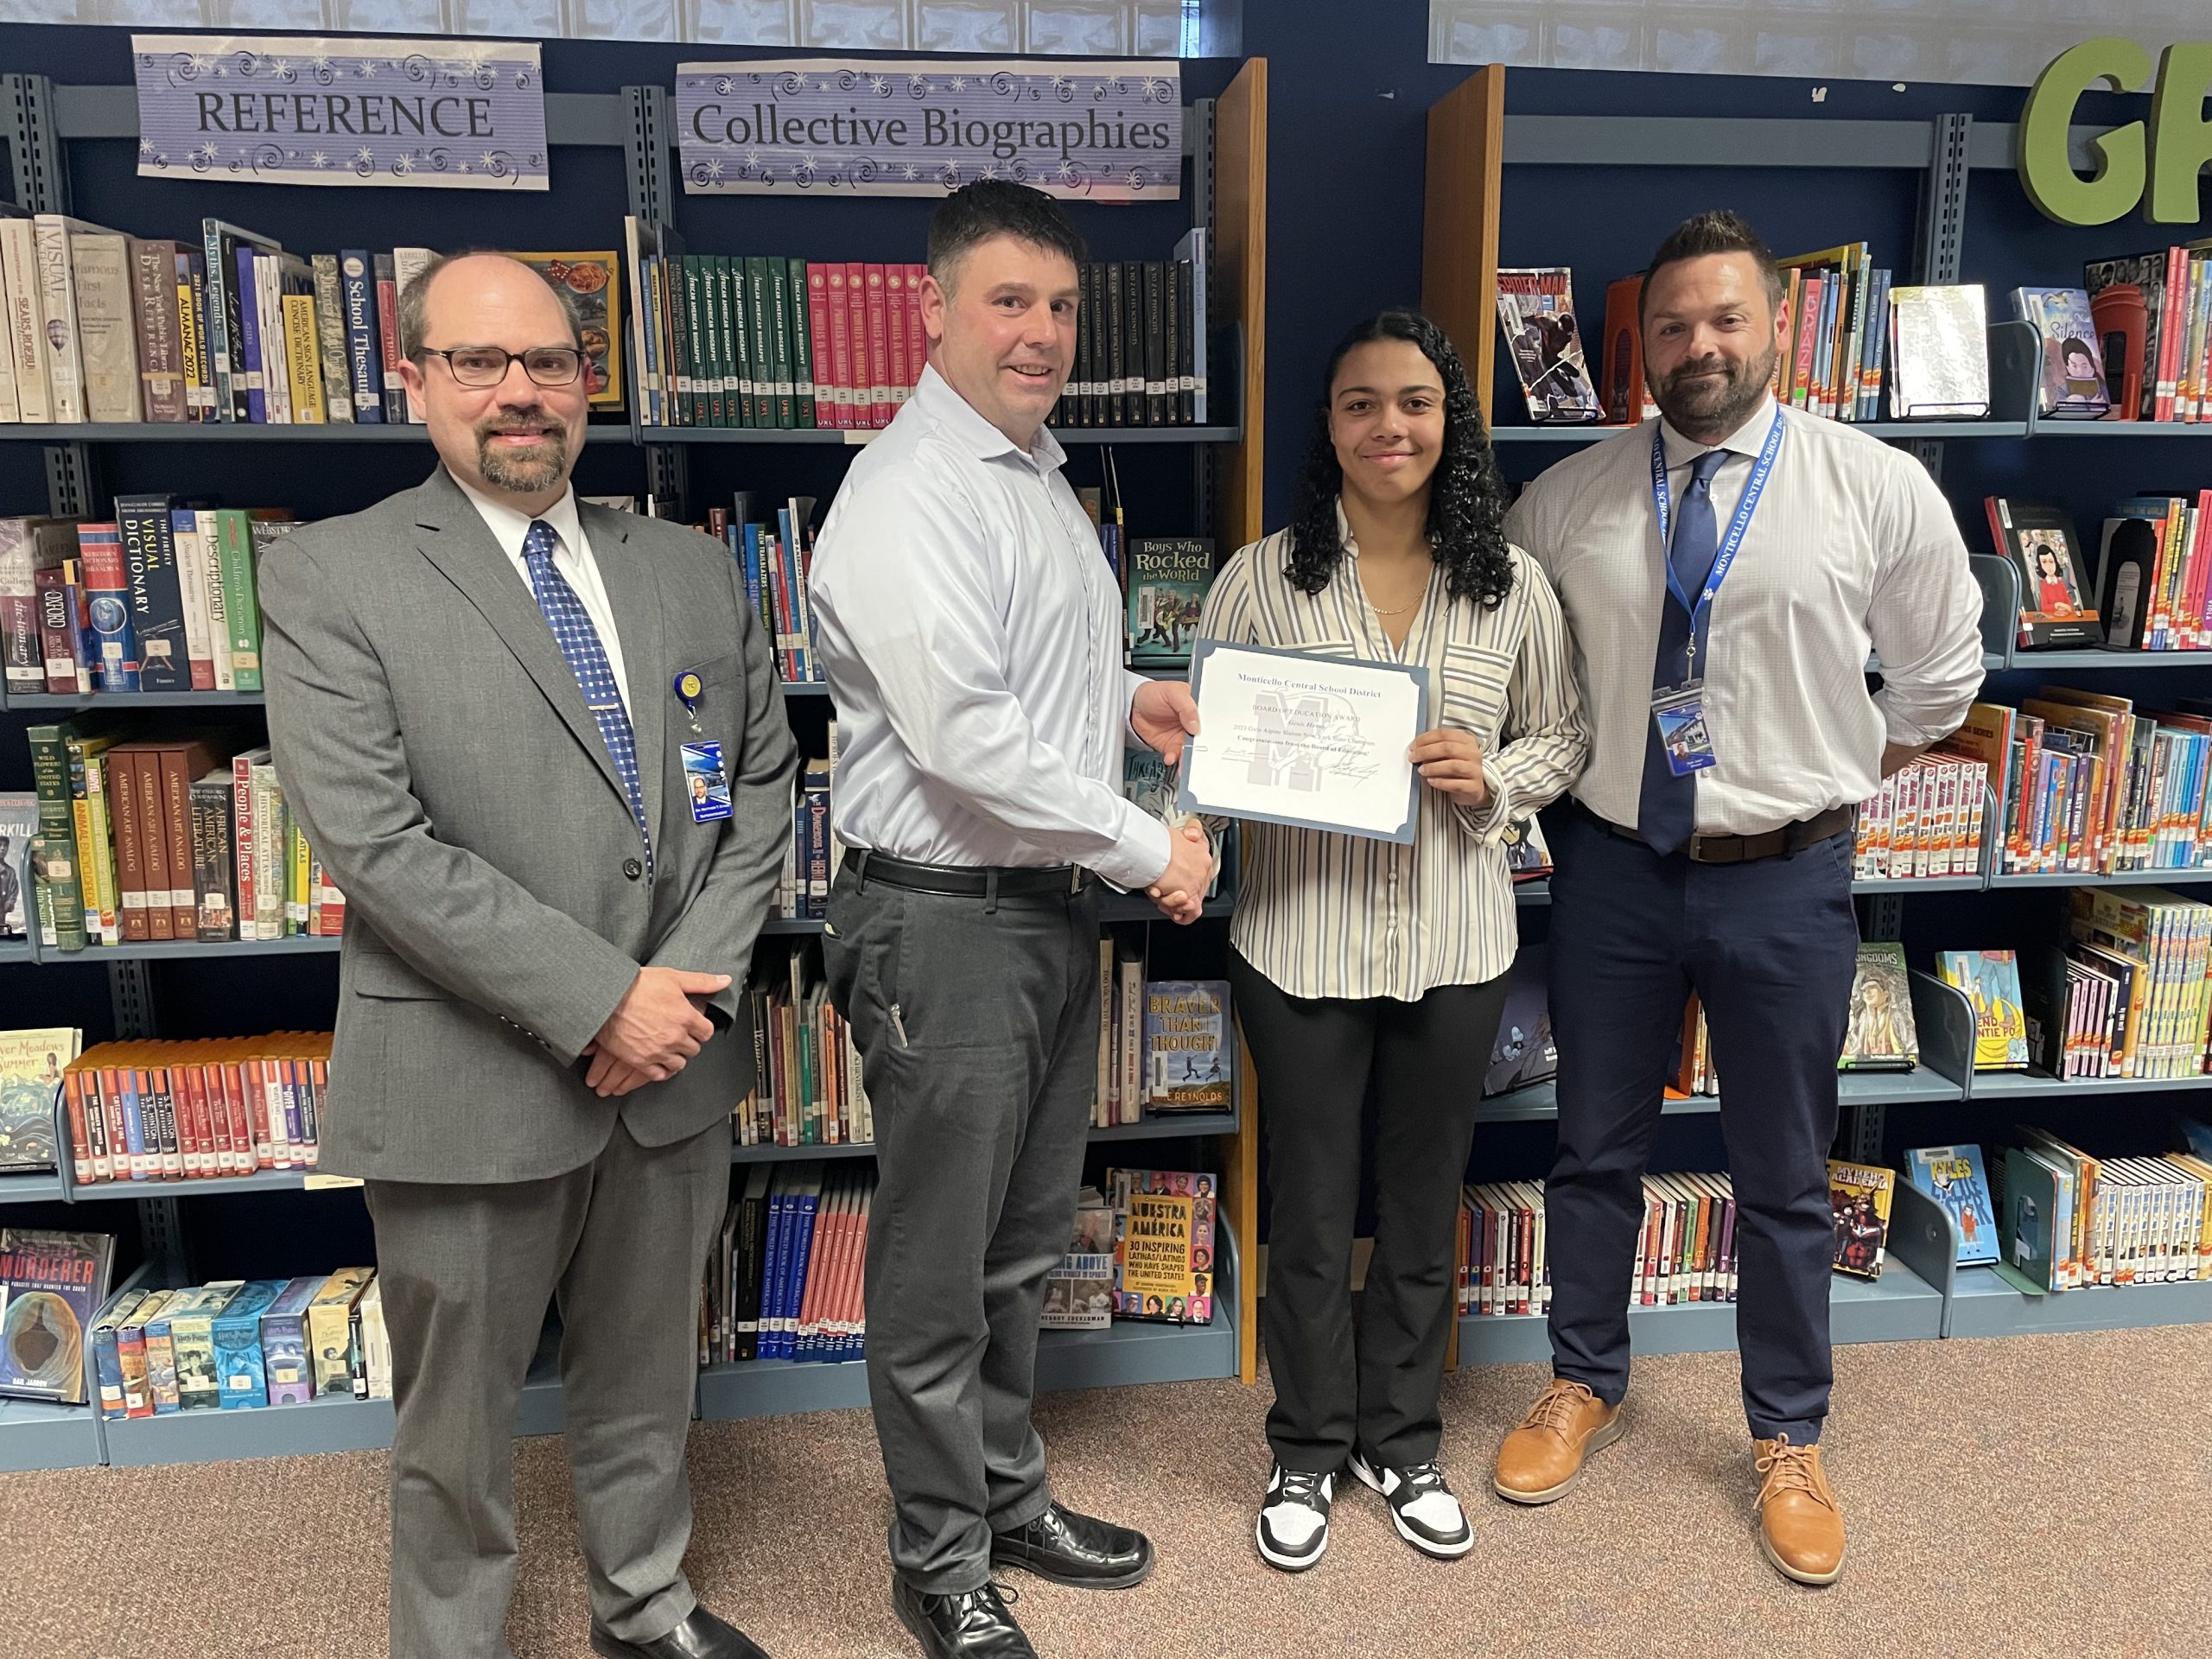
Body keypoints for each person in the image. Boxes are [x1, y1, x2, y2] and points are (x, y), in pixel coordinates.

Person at [261, 251, 797, 1659]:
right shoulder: (333, 574)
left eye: (548, 363)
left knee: (644, 1385)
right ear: (416, 377)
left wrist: (677, 989)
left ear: (586, 381)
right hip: (466, 1081)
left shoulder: (683, 566)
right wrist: (598, 1000)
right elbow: (376, 846)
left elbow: (752, 787)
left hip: (671, 1067)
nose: (519, 393)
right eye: (479, 363)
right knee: (454, 1425)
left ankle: (645, 1604)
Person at [1497, 210, 1983, 1587]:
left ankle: (1785, 1431)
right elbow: (1527, 669)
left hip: (1785, 880)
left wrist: (1820, 776)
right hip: (1611, 876)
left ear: (1777, 327)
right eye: (1670, 326)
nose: (1697, 347)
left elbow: (1943, 679)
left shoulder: (1872, 486)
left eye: (1725, 321)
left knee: (1782, 1174)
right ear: (1636, 343)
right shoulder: (1572, 497)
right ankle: (1584, 1379)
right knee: (1594, 1151)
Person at [807, 181, 1211, 1659]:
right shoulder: (906, 490)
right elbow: (965, 740)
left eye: (1058, 307)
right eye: (1007, 301)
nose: (1040, 333)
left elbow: (1021, 684)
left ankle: (1004, 1497)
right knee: (937, 1263)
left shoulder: (1030, 473)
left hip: (1035, 911)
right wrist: (1141, 845)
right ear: (932, 307)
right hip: (947, 923)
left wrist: (1129, 701)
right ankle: (934, 1557)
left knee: (1021, 1242)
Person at [1195, 309, 1586, 1573]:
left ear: (1449, 420)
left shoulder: (1511, 584)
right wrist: (1176, 842)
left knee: (1421, 1208)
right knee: (1310, 1212)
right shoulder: (1262, 578)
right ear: (1329, 425)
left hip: (1459, 941)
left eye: (1414, 402)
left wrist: (1496, 777)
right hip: (1298, 945)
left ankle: (1402, 1440)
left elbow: (1564, 735)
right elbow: (1208, 747)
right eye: (1361, 403)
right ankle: (1307, 1443)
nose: (1389, 427)